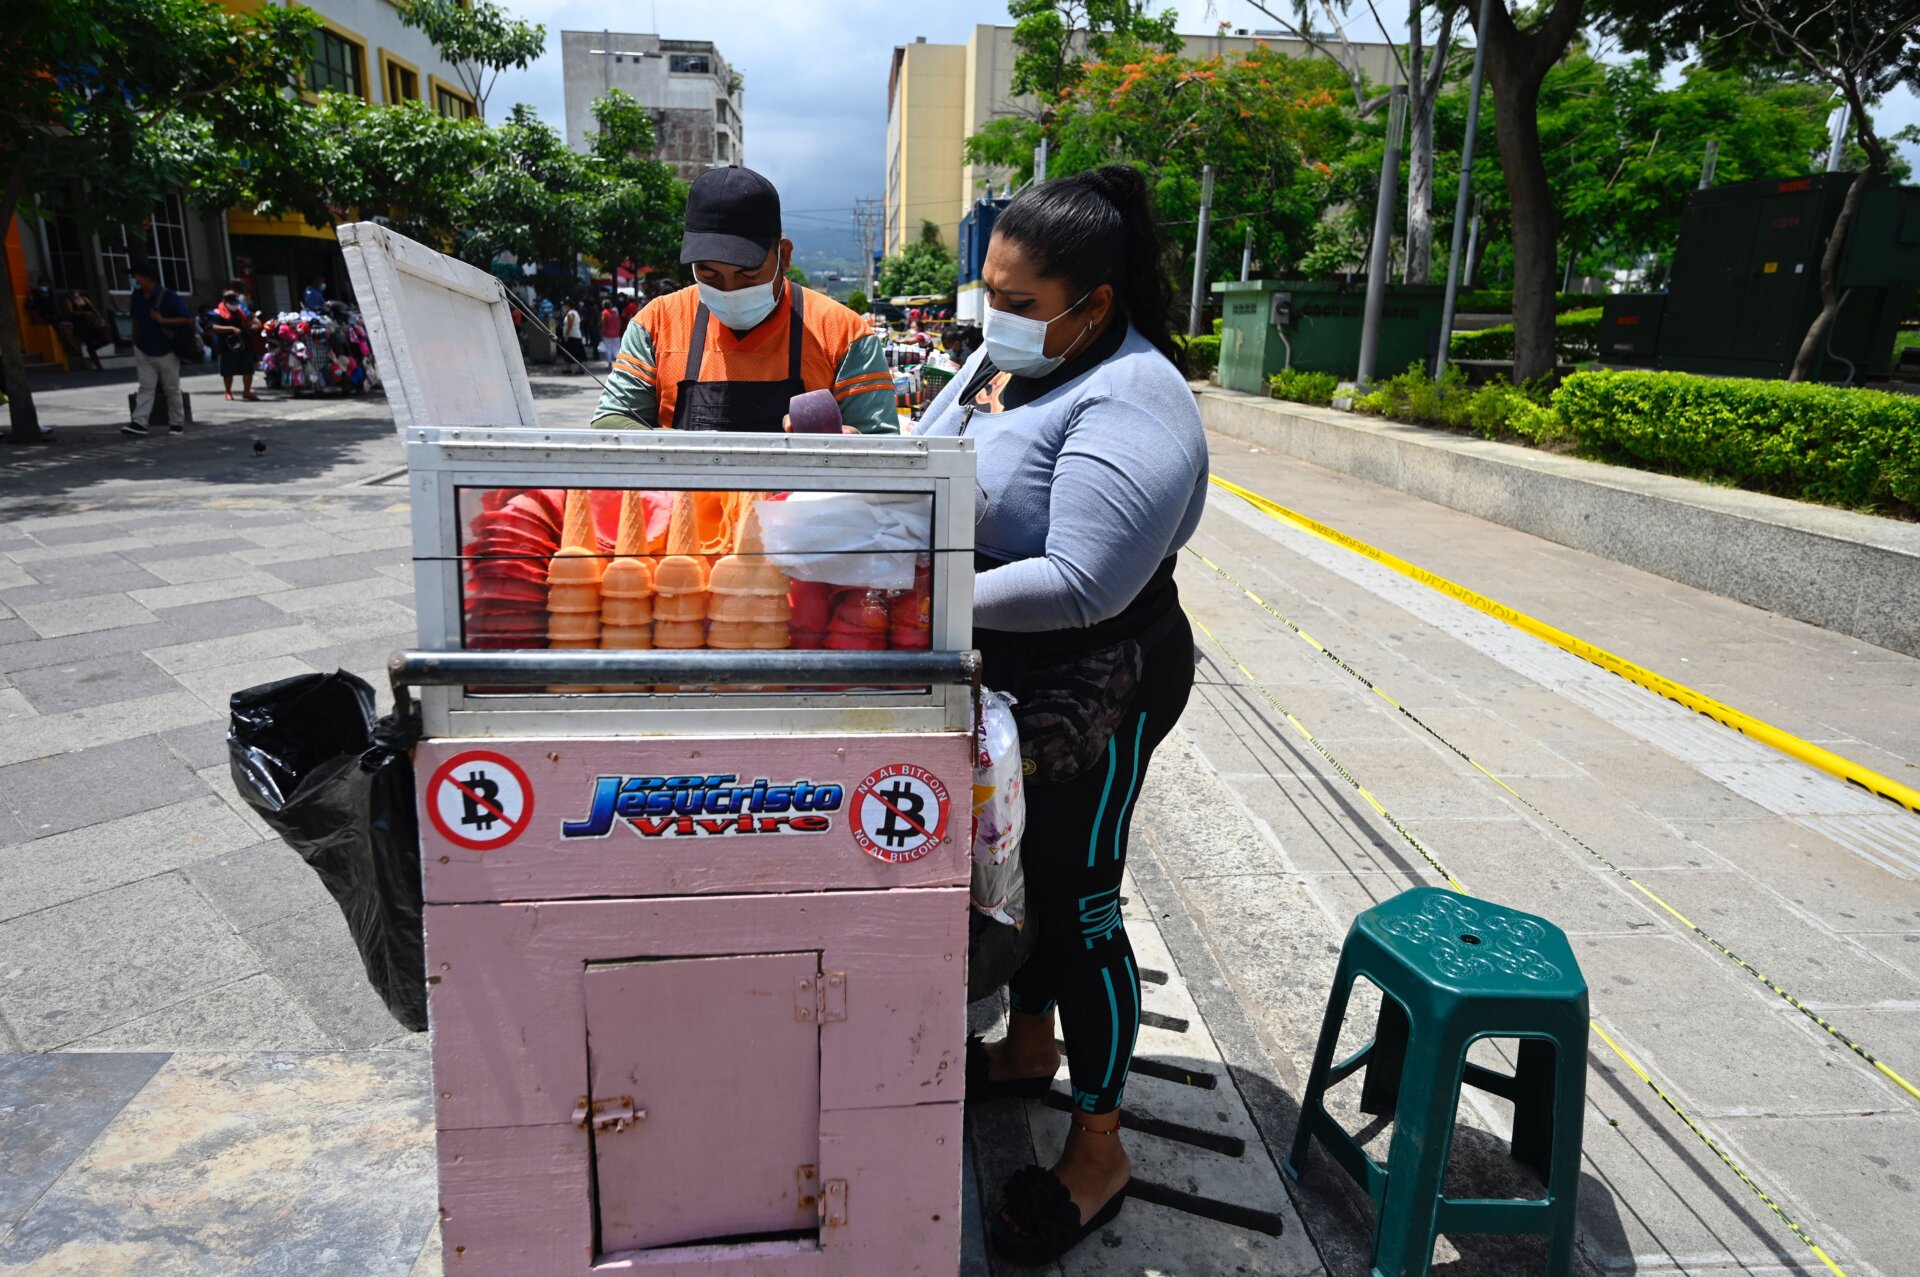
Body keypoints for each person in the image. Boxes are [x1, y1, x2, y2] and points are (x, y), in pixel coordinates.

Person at [915, 166, 1207, 1264]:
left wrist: (918, 595)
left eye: (1022, 299)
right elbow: (933, 457)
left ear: (1095, 300)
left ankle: (1100, 1140)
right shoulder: (1003, 361)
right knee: (1020, 865)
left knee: (1082, 900)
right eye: (990, 289)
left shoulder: (1137, 398)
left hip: (1102, 679)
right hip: (1006, 672)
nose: (997, 315)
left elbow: (1086, 578)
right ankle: (1027, 1047)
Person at [593, 166, 896, 433]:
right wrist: (685, 450)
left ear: (784, 255)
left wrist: (848, 446)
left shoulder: (844, 334)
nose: (729, 289)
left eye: (748, 274)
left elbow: (883, 449)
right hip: (684, 498)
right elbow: (611, 421)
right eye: (708, 274)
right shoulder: (655, 323)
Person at [126, 265, 194, 436]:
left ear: (147, 278)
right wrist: (135, 342)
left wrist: (163, 320)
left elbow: (186, 319)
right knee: (146, 387)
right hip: (143, 348)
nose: (134, 280)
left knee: (171, 387)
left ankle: (176, 423)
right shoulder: (137, 296)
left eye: (137, 276)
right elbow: (135, 319)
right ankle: (139, 422)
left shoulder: (168, 296)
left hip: (166, 350)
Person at [210, 290, 260, 401]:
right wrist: (231, 329)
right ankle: (228, 392)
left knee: (248, 369)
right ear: (224, 301)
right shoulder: (217, 313)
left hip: (244, 342)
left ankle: (247, 391)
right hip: (227, 344)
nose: (234, 305)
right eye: (231, 302)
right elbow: (213, 328)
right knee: (228, 370)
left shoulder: (241, 311)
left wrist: (255, 325)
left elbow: (252, 320)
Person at [559, 298, 586, 374]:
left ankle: (576, 368)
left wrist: (566, 336)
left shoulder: (570, 314)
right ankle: (569, 367)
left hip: (572, 336)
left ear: (567, 305)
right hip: (576, 335)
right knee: (575, 353)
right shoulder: (575, 312)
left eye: (565, 305)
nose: (564, 307)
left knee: (571, 353)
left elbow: (570, 326)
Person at [599, 297, 623, 366]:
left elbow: (603, 325)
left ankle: (610, 363)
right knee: (616, 348)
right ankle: (618, 362)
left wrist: (601, 334)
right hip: (616, 334)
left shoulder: (604, 313)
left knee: (608, 348)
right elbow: (619, 323)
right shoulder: (615, 313)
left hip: (607, 334)